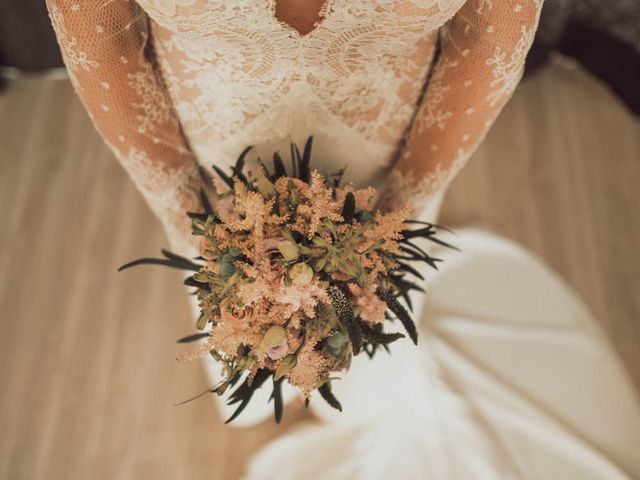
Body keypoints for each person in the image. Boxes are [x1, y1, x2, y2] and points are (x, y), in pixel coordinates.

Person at [47, 1, 640, 478]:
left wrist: (398, 215)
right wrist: (192, 222)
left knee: (376, 356)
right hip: (211, 186)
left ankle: (350, 386)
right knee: (239, 375)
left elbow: (488, 36)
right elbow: (106, 43)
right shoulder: (202, 219)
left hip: (394, 171)